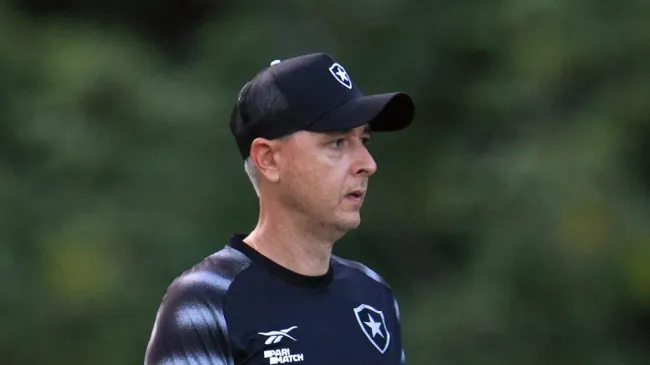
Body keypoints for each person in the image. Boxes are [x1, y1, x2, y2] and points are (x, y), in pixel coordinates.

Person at [144, 52, 415, 365]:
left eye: (364, 140)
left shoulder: (374, 294)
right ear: (269, 159)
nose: (368, 164)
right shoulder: (207, 300)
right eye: (338, 142)